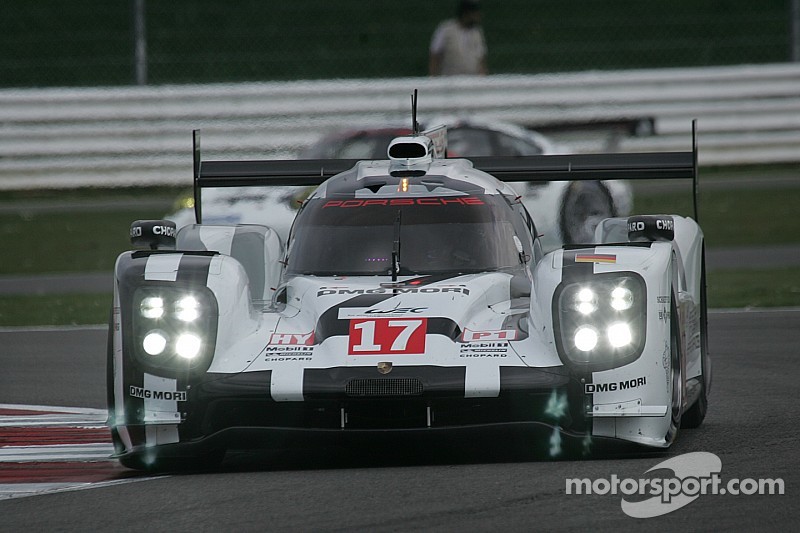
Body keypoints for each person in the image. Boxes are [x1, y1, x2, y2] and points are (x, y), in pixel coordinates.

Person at [429, 0, 487, 76]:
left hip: (472, 82)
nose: (478, 16)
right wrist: (433, 78)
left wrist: (483, 79)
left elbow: (481, 59)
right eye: (475, 13)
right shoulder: (446, 29)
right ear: (466, 13)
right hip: (450, 81)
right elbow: (435, 55)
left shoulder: (477, 33)